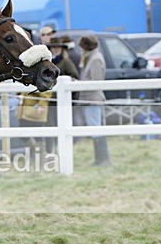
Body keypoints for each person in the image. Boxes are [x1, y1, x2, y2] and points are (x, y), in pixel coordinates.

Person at [78, 35, 111, 167]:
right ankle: (99, 159)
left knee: (96, 129)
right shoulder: (90, 58)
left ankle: (103, 159)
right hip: (88, 99)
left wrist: (78, 83)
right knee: (94, 129)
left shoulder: (96, 59)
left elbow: (95, 81)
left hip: (93, 99)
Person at [45, 35, 79, 153]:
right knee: (49, 126)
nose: (55, 49)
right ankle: (51, 151)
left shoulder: (66, 61)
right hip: (49, 100)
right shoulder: (47, 62)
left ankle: (63, 151)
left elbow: (75, 77)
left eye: (57, 47)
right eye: (53, 47)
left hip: (61, 101)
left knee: (62, 124)